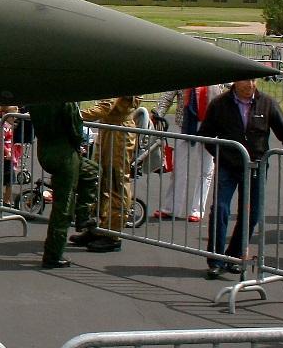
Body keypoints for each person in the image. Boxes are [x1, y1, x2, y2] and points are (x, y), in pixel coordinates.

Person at [198, 78, 283, 280]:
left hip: (256, 167)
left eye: (253, 80)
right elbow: (206, 134)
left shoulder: (267, 103)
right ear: (235, 82)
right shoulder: (219, 103)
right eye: (245, 80)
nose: (250, 85)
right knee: (220, 209)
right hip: (228, 166)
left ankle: (234, 257)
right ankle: (215, 260)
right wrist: (221, 155)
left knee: (252, 215)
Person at [28, 101, 101, 268]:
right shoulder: (66, 101)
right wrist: (78, 144)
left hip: (45, 150)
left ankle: (83, 215)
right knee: (63, 207)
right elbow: (75, 128)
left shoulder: (35, 98)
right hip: (64, 154)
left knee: (92, 171)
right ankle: (53, 255)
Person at [80, 96, 142, 252]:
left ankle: (112, 234)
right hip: (108, 127)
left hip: (120, 132)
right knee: (100, 179)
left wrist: (74, 116)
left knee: (116, 182)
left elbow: (106, 106)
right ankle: (97, 226)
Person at [153, 85, 219, 221]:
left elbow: (228, 92)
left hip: (210, 126)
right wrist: (157, 115)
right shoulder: (184, 72)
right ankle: (171, 208)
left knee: (206, 170)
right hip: (184, 124)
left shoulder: (216, 71)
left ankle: (197, 211)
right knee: (179, 168)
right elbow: (167, 97)